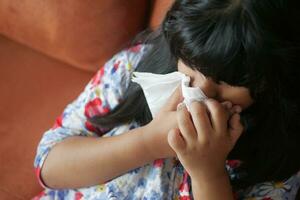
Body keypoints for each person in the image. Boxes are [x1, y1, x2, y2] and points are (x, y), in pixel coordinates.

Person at [33, 0, 300, 199]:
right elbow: (48, 167)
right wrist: (148, 142)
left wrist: (208, 172)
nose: (202, 90)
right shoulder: (131, 68)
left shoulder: (282, 154)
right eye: (191, 64)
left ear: (269, 79)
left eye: (228, 80)